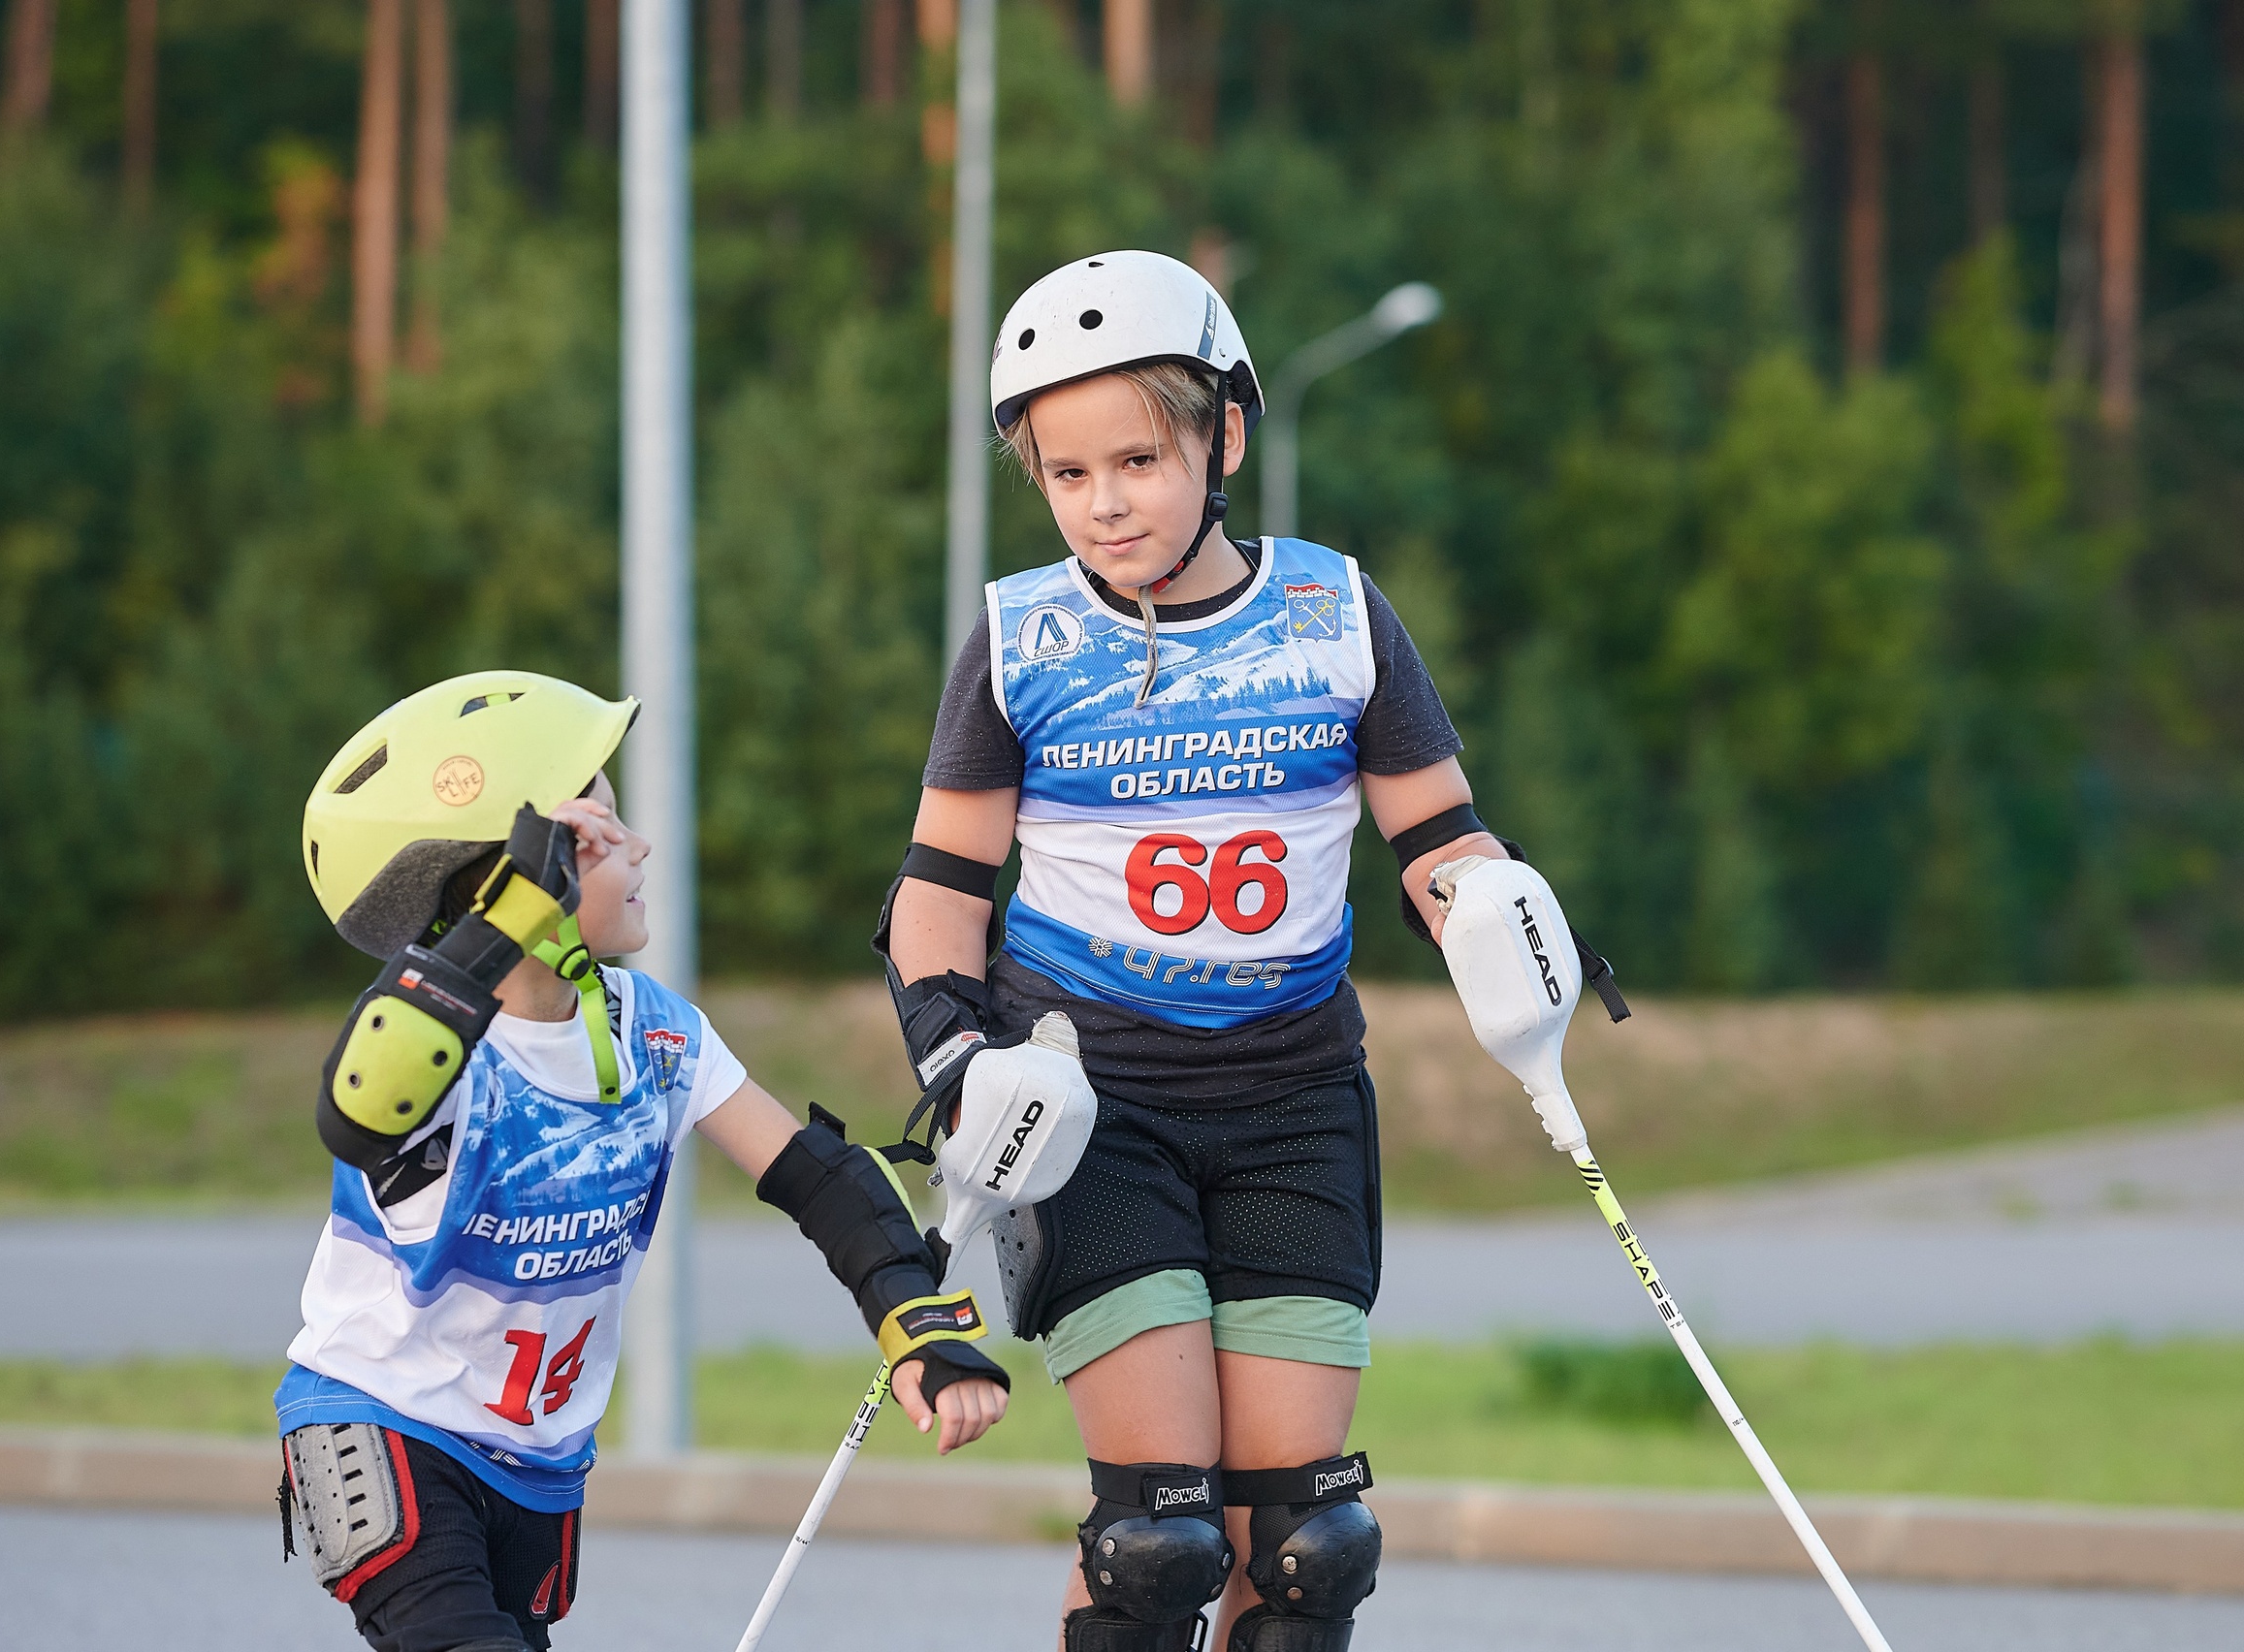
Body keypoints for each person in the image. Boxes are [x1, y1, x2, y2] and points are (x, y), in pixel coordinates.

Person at [876, 251, 1545, 1652]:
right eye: (1067, 475)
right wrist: (955, 1058)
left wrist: (1496, 917)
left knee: (1305, 1548)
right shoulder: (1020, 638)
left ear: (1225, 436)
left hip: (1294, 1104)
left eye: (1138, 460)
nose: (1105, 503)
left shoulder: (1336, 614)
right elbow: (938, 894)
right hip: (1093, 1111)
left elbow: (1438, 837)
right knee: (1158, 1544)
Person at [275, 669, 1022, 1652]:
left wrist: (916, 1322)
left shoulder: (655, 1033)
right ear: (508, 877)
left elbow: (817, 1178)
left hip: (537, 1461)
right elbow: (357, 1113)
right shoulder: (430, 1051)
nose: (639, 846)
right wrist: (500, 926)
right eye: (597, 832)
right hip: (384, 1426)